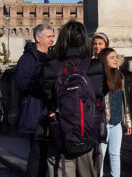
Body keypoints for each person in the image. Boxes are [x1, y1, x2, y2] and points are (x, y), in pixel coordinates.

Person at [35, 20, 105, 177]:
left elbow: (38, 92)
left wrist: (48, 59)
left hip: (59, 137)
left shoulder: (50, 68)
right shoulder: (95, 67)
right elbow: (100, 95)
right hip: (88, 136)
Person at [15, 23, 55, 177]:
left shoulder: (53, 58)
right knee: (37, 155)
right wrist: (41, 82)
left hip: (52, 114)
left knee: (50, 157)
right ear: (38, 38)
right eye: (49, 37)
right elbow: (21, 83)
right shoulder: (27, 59)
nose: (52, 40)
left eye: (53, 36)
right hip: (36, 113)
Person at [98, 48, 132, 177]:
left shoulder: (120, 76)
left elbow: (125, 101)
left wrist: (128, 122)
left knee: (115, 153)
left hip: (117, 121)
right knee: (101, 154)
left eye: (116, 57)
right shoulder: (100, 77)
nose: (115, 60)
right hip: (104, 122)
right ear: (104, 60)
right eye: (111, 57)